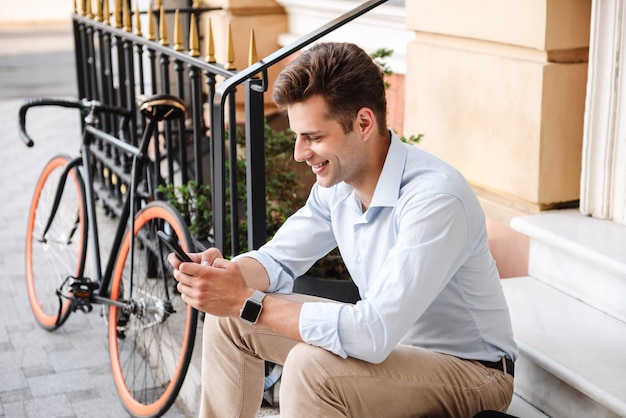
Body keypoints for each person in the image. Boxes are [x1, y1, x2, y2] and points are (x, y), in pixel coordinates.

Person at [169, 42, 518, 417]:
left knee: (309, 367)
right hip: (390, 352)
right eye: (297, 137)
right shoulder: (337, 188)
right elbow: (278, 260)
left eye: (314, 137)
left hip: (471, 373)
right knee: (230, 321)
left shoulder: (435, 199)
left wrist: (246, 300)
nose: (300, 154)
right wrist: (230, 278)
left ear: (364, 123)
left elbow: (373, 332)